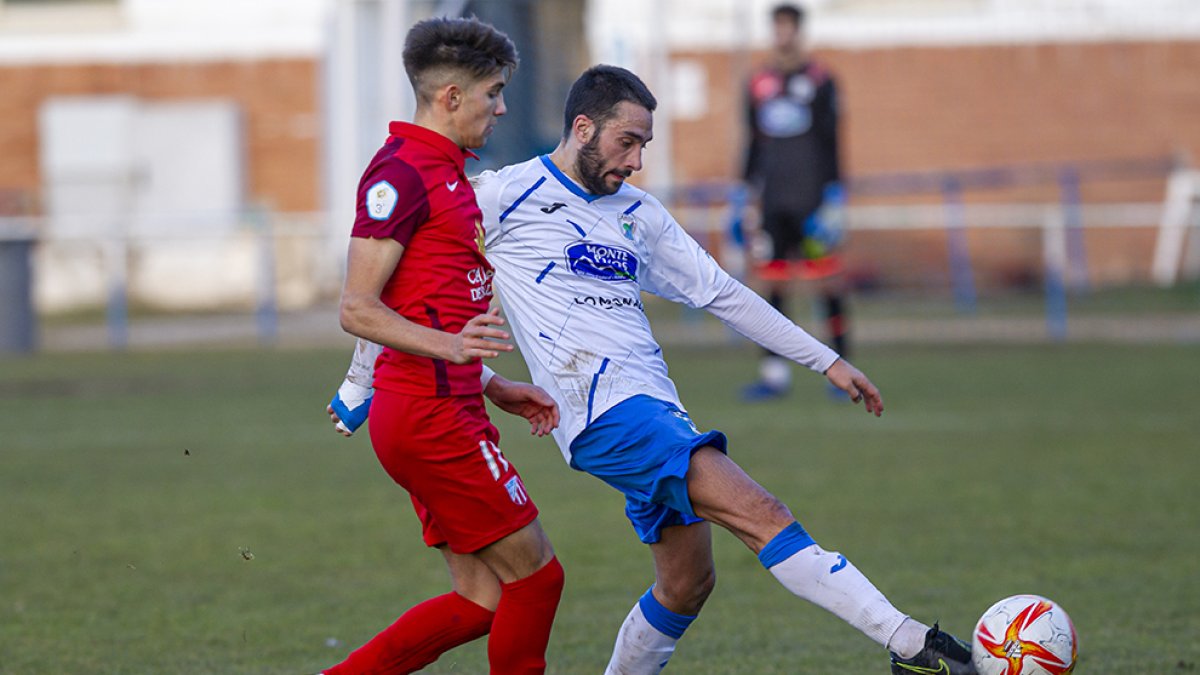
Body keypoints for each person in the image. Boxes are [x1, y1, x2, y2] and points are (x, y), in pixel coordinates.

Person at [330, 65, 976, 675]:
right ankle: (911, 643)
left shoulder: (641, 215)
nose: (636, 160)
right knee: (760, 510)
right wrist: (360, 382)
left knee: (687, 580)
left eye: (644, 145)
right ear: (582, 128)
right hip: (602, 413)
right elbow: (396, 282)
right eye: (626, 141)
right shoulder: (502, 195)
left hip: (655, 405)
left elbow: (722, 292)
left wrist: (825, 358)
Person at [320, 16, 565, 675]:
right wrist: (453, 350)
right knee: (537, 580)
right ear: (451, 97)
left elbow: (423, 305)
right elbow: (357, 307)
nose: (502, 107)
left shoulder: (447, 172)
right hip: (427, 415)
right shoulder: (400, 175)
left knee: (482, 597)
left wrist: (495, 385)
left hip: (446, 405)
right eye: (493, 92)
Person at [741, 3, 852, 402]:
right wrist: (745, 192)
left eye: (788, 28)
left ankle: (841, 370)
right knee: (770, 284)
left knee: (827, 282)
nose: (782, 35)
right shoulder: (757, 83)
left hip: (812, 198)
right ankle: (774, 376)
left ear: (798, 32)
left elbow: (832, 140)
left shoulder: (821, 81)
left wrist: (835, 194)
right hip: (772, 198)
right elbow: (751, 142)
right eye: (777, 28)